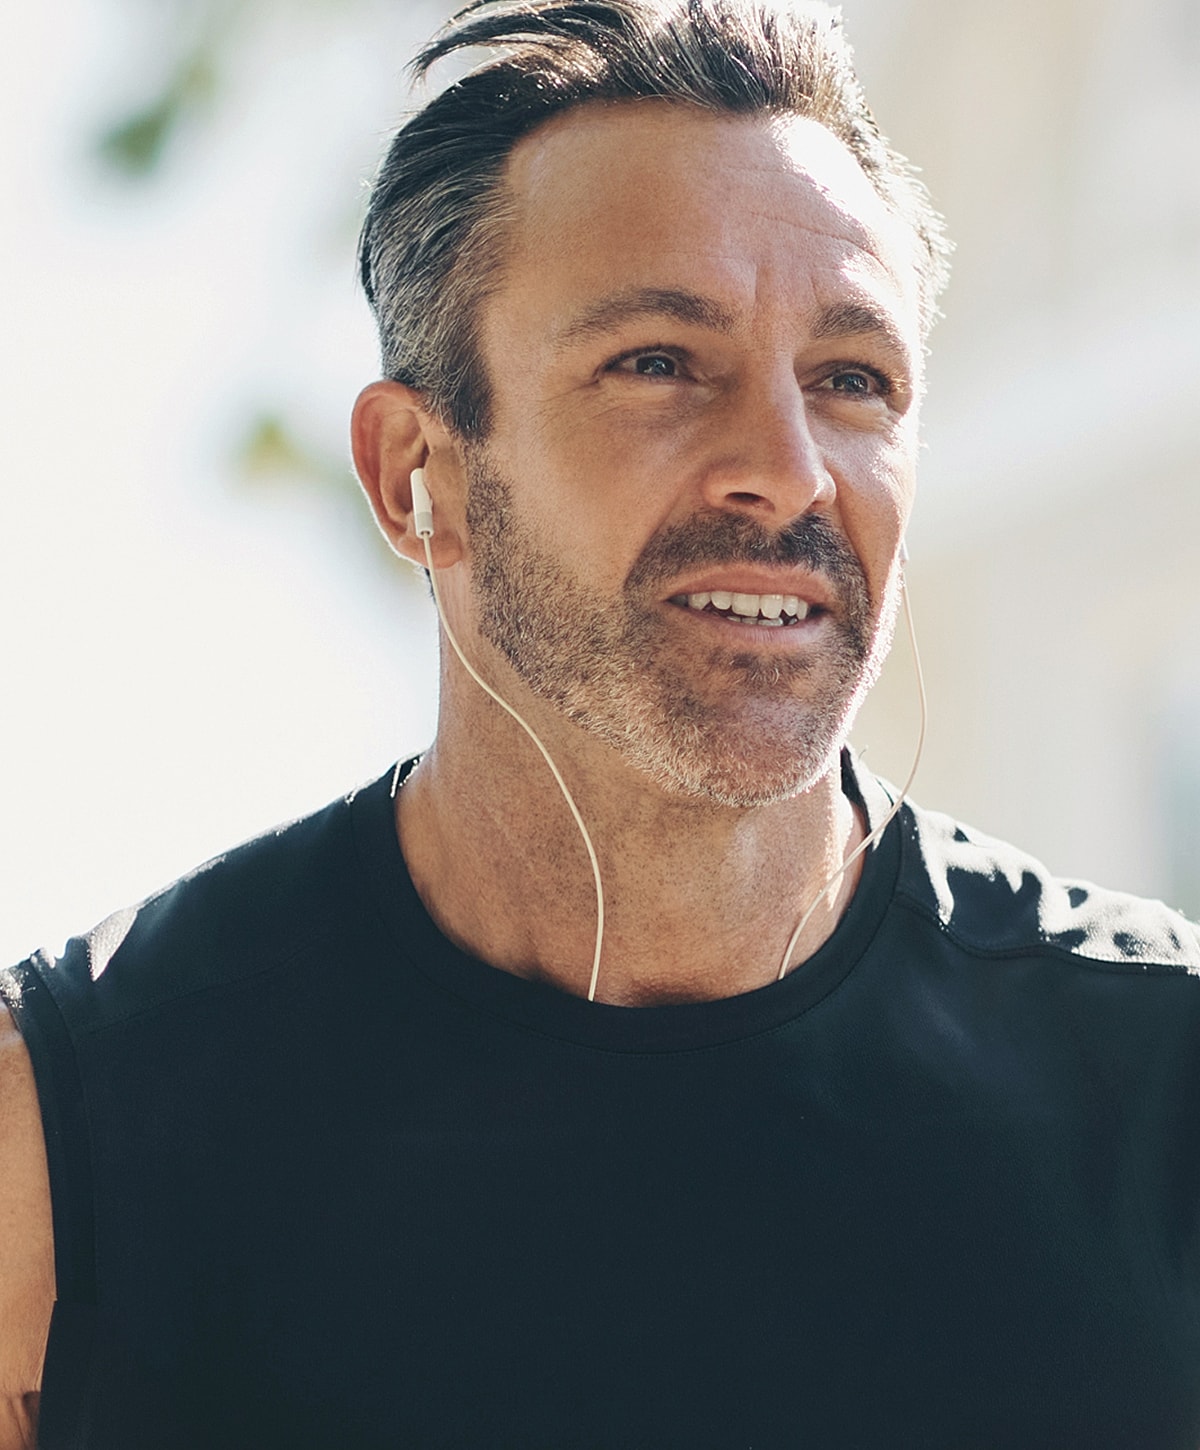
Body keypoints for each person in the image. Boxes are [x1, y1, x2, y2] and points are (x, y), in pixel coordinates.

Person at [3, 0, 1199, 1445]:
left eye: (852, 380)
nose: (787, 471)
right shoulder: (68, 1135)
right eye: (656, 361)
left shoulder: (1160, 1085)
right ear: (412, 472)